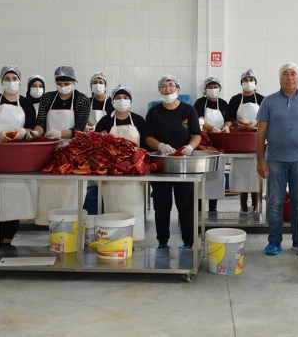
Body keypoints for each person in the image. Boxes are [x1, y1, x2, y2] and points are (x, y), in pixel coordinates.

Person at [256, 62, 298, 255]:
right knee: (275, 202)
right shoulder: (269, 101)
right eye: (285, 74)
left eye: (293, 74)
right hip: (275, 159)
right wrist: (260, 159)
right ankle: (274, 241)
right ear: (280, 78)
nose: (289, 77)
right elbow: (260, 132)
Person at [0, 65, 38, 247]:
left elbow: (32, 128)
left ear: (20, 81)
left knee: (15, 199)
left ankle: (7, 240)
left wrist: (23, 132)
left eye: (14, 78)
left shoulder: (26, 103)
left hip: (17, 156)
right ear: (2, 81)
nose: (11, 82)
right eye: (7, 78)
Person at [145, 75, 201, 250]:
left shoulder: (188, 110)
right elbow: (148, 137)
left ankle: (188, 243)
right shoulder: (154, 112)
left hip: (184, 165)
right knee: (162, 205)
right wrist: (160, 145)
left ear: (178, 89)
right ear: (159, 91)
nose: (167, 89)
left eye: (171, 86)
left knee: (185, 204)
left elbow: (196, 134)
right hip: (160, 165)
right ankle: (162, 242)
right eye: (163, 86)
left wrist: (190, 147)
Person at [33, 65, 90, 226]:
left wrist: (59, 133)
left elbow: (79, 129)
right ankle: (51, 228)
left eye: (67, 83)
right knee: (48, 193)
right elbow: (40, 123)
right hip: (50, 153)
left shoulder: (82, 99)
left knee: (71, 195)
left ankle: (70, 228)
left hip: (74, 155)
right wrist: (36, 133)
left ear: (74, 82)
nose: (63, 87)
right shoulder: (47, 98)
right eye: (60, 83)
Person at [95, 84, 148, 242]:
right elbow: (97, 146)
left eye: (125, 98)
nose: (122, 101)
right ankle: (113, 238)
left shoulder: (138, 120)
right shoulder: (105, 121)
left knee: (134, 205)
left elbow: (145, 146)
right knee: (112, 206)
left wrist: (142, 166)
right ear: (112, 101)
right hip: (111, 172)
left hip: (133, 171)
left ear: (130, 101)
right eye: (118, 98)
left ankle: (133, 238)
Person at [227, 69, 265, 213]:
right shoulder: (235, 100)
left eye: (251, 80)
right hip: (240, 141)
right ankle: (243, 205)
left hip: (257, 140)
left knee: (256, 175)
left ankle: (256, 205)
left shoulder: (262, 99)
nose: (248, 83)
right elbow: (230, 120)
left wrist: (255, 124)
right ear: (241, 83)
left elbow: (266, 119)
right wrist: (239, 124)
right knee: (241, 175)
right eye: (245, 80)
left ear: (255, 82)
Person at [193, 76, 231, 212]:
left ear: (220, 89)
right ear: (205, 89)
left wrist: (226, 127)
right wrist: (212, 128)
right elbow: (199, 120)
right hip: (203, 142)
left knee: (216, 173)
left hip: (219, 142)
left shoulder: (223, 103)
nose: (213, 90)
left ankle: (213, 207)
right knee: (200, 174)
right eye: (210, 87)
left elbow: (229, 119)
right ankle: (198, 207)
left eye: (215, 87)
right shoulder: (200, 103)